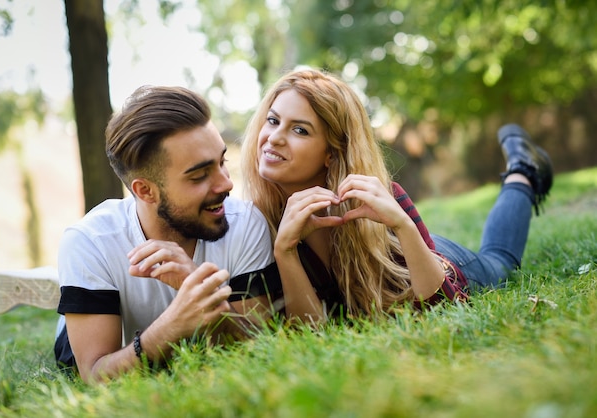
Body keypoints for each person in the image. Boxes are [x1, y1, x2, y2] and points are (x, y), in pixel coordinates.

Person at [240, 68, 553, 323]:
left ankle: (522, 170)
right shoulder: (257, 224)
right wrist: (286, 250)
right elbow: (309, 336)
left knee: (500, 263)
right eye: (273, 120)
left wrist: (403, 226)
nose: (275, 138)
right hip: (407, 261)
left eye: (300, 130)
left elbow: (444, 309)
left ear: (331, 155)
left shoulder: (377, 200)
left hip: (428, 263)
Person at [54, 85, 281, 383]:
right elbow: (95, 375)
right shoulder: (89, 243)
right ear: (145, 190)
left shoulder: (246, 223)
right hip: (103, 328)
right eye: (199, 176)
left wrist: (202, 292)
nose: (226, 184)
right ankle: (70, 297)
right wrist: (170, 327)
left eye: (222, 162)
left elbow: (255, 348)